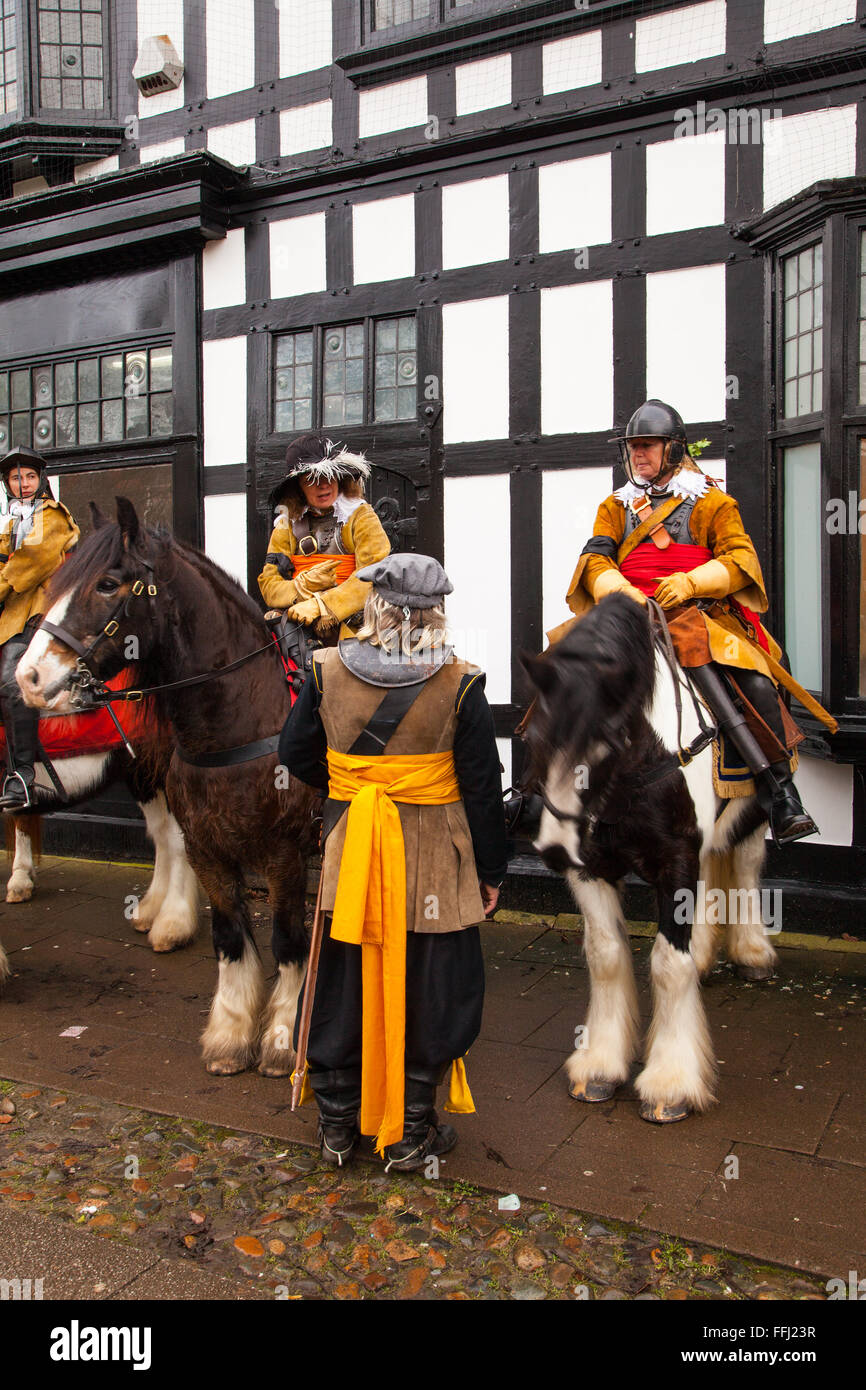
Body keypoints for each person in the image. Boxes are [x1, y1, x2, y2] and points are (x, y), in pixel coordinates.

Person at [279, 554, 508, 1172]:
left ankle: (336, 1126)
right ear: (435, 613)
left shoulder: (325, 670)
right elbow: (483, 788)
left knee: (340, 979)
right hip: (435, 859)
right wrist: (492, 872)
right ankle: (409, 1133)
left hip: (352, 852)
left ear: (374, 607)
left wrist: (354, 789)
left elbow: (295, 752)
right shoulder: (462, 681)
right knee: (436, 985)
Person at [562, 399, 836, 845]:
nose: (637, 455)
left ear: (672, 449)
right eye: (632, 447)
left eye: (647, 446)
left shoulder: (712, 503)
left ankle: (781, 793)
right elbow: (594, 559)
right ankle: (538, 794)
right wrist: (622, 590)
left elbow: (741, 560)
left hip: (696, 616)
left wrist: (691, 583)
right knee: (559, 664)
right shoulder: (615, 507)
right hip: (627, 616)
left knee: (756, 684)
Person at [0, 447, 79, 810]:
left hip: (43, 614)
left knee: (11, 679)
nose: (24, 483)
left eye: (30, 476)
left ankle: (21, 777)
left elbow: (31, 563)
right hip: (10, 615)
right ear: (8, 484)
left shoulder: (53, 514)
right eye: (17, 478)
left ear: (40, 480)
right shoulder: (12, 523)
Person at [258, 432, 391, 642]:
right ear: (297, 486)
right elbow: (269, 585)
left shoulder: (360, 516)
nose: (323, 484)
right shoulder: (285, 526)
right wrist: (300, 588)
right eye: (311, 478)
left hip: (358, 627)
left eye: (329, 474)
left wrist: (321, 605)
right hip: (297, 629)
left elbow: (374, 575)